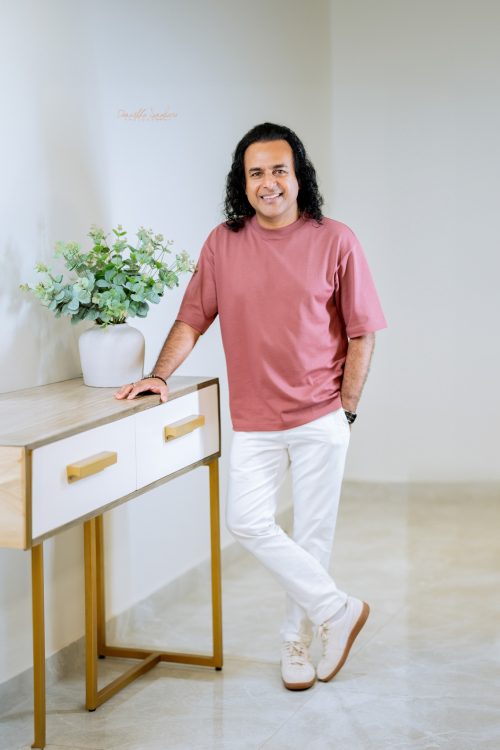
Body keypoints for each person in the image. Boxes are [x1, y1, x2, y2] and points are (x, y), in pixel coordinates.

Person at [116, 122, 387, 691]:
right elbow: (193, 317)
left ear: (299, 176)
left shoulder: (336, 239)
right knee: (247, 521)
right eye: (256, 173)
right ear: (242, 183)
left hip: (320, 414)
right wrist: (158, 375)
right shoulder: (223, 243)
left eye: (279, 170)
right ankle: (338, 610)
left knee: (312, 537)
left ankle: (296, 641)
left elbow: (362, 331)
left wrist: (346, 411)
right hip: (254, 419)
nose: (268, 183)